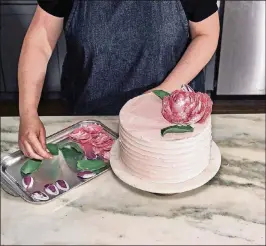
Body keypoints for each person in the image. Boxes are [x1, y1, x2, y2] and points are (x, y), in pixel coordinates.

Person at [18, 0, 220, 160]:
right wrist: (27, 112)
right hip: (94, 120)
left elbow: (206, 33)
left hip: (168, 118)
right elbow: (40, 39)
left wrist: (163, 92)